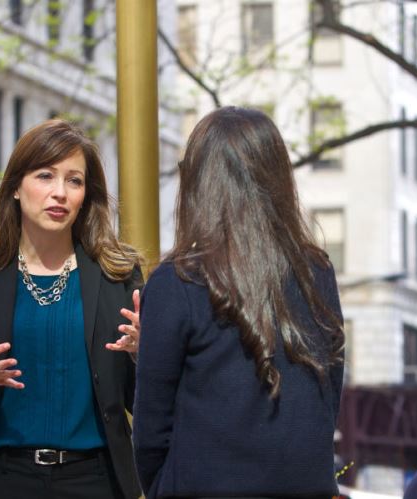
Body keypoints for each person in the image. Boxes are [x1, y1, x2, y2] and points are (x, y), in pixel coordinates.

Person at [133, 106, 346, 499]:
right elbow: (329, 389)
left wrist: (168, 484)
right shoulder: (315, 271)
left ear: (199, 182)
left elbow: (150, 425)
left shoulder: (177, 282)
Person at [0, 119, 145, 499]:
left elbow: (144, 402)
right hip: (3, 479)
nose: (60, 193)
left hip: (96, 481)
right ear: (15, 186)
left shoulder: (119, 275)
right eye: (45, 176)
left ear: (86, 195)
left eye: (74, 180)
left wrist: (144, 356)